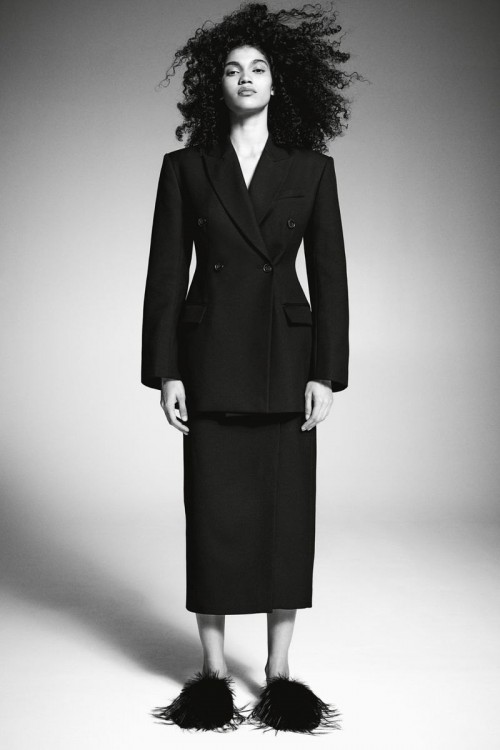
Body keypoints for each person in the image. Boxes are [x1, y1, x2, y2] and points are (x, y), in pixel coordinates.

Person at [141, 1, 358, 734]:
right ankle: (209, 672)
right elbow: (165, 276)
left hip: (285, 363)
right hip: (209, 364)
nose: (245, 78)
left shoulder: (312, 169)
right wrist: (167, 371)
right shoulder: (185, 168)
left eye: (258, 68)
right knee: (211, 516)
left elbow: (330, 276)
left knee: (285, 521)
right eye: (232, 69)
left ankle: (279, 671)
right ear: (215, 82)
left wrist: (326, 372)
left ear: (278, 81)